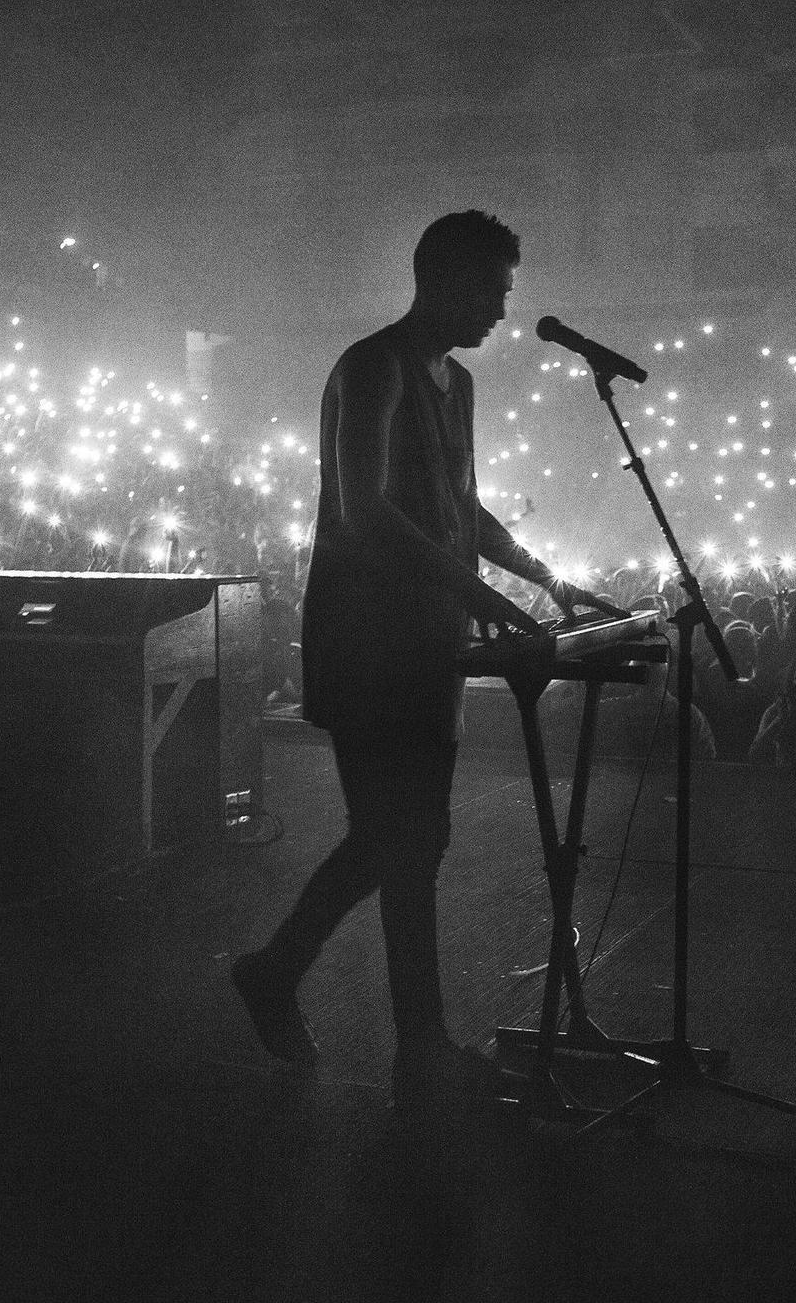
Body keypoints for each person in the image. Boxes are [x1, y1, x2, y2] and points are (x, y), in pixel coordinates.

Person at [231, 210, 614, 1105]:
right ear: (441, 278)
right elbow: (366, 512)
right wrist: (487, 601)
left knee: (404, 838)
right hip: (367, 643)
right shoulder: (372, 370)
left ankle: (279, 975)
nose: (501, 310)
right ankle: (418, 1046)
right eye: (491, 290)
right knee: (407, 841)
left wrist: (543, 580)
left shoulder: (462, 386)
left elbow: (462, 509)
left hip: (430, 641)